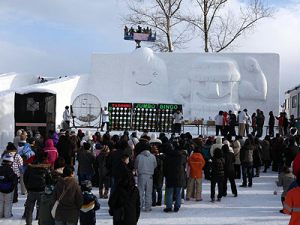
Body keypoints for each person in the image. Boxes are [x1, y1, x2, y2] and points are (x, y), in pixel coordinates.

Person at [134, 141, 157, 212]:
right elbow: (155, 165)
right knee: (148, 192)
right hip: (150, 176)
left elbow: (135, 166)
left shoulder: (139, 156)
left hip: (141, 175)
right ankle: (148, 207)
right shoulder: (153, 157)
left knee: (140, 192)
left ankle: (140, 206)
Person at [0, 153, 18, 218]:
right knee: (8, 202)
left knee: (0, 202)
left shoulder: (0, 168)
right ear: (10, 162)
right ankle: (7, 215)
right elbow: (14, 180)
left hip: (0, 189)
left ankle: (0, 214)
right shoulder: (10, 170)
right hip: (9, 189)